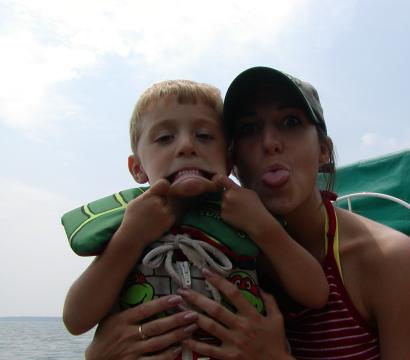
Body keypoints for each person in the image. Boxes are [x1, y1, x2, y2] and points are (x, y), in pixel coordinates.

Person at [85, 67, 410, 360]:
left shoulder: (390, 260)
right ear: (233, 161)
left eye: (290, 121)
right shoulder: (212, 247)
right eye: (249, 129)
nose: (270, 142)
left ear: (324, 151)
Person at [63, 79, 328, 359]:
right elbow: (76, 320)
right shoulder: (130, 223)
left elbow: (315, 293)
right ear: (138, 168)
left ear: (228, 159)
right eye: (165, 138)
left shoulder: (244, 219)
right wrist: (129, 238)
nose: (187, 146)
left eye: (204, 136)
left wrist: (264, 227)